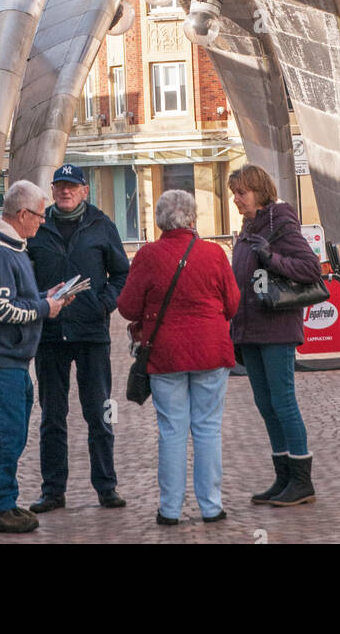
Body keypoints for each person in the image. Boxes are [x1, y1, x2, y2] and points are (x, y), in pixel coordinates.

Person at [117, 189, 240, 525]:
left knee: (172, 431)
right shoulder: (214, 253)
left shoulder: (148, 255)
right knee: (208, 428)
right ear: (192, 218)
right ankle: (211, 506)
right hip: (211, 350)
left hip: (166, 353)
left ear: (159, 220)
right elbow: (232, 305)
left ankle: (170, 509)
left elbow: (127, 306)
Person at [0, 179, 71, 535]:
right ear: (23, 214)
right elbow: (2, 309)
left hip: (8, 358)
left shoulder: (11, 248)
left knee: (10, 433)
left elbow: (14, 298)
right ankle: (1, 507)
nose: (43, 222)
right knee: (10, 434)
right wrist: (45, 308)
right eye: (40, 215)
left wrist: (45, 295)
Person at [26, 165, 130, 513]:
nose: (65, 192)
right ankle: (53, 491)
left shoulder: (102, 225)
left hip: (91, 334)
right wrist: (42, 301)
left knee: (99, 412)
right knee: (52, 416)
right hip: (51, 335)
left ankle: (106, 486)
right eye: (60, 187)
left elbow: (121, 273)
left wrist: (104, 303)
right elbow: (24, 277)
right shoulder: (38, 228)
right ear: (52, 191)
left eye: (72, 187)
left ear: (84, 190)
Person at [229, 163, 322, 507]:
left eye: (242, 193)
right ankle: (283, 477)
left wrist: (271, 258)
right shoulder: (248, 227)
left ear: (259, 191)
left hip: (277, 326)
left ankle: (302, 481)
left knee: (283, 402)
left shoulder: (279, 224)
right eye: (234, 194)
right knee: (266, 404)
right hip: (250, 328)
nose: (236, 200)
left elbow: (311, 269)